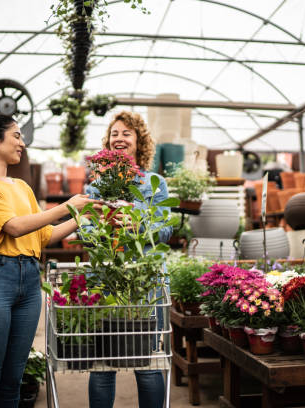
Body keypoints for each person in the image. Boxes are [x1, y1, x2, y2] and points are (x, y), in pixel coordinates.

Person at [0, 113, 100, 408]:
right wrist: (66, 206)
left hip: (29, 282)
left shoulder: (21, 187)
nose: (22, 144)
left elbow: (44, 236)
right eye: (17, 136)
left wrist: (82, 216)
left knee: (13, 382)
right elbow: (13, 227)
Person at [85, 111, 172, 408]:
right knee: (102, 365)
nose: (119, 138)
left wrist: (138, 224)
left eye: (127, 133)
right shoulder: (97, 184)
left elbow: (166, 228)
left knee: (145, 362)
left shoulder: (155, 181)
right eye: (115, 134)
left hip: (144, 281)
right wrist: (102, 228)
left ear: (139, 142)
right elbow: (85, 229)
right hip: (107, 280)